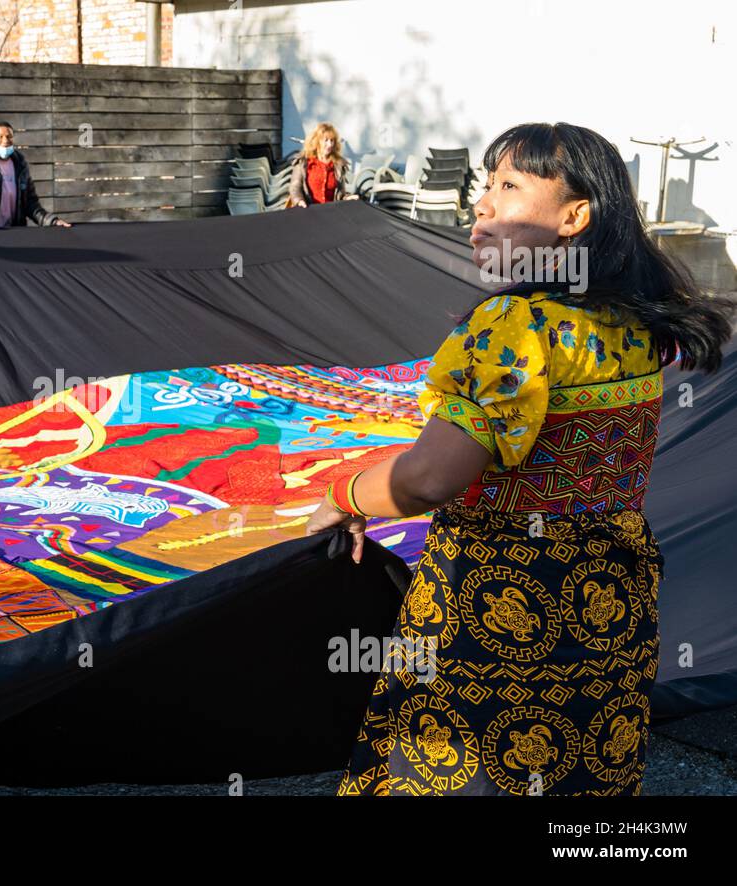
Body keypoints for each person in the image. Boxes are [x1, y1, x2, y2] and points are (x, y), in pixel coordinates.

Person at [309, 121, 736, 796]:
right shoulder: (629, 322)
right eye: (486, 184)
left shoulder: (517, 327)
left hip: (500, 609)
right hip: (609, 602)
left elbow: (430, 478)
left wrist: (344, 494)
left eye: (509, 186)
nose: (483, 204)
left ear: (575, 216)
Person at [0, 121, 71, 230]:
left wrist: (52, 221)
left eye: (9, 136)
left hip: (15, 233)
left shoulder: (21, 166)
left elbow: (31, 203)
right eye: (0, 137)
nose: (5, 140)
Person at [287, 122, 349, 207]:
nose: (330, 144)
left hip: (331, 212)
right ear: (317, 141)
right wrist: (299, 201)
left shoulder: (338, 164)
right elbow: (295, 187)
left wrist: (348, 197)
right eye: (326, 140)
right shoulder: (303, 162)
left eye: (332, 140)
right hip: (309, 211)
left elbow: (341, 193)